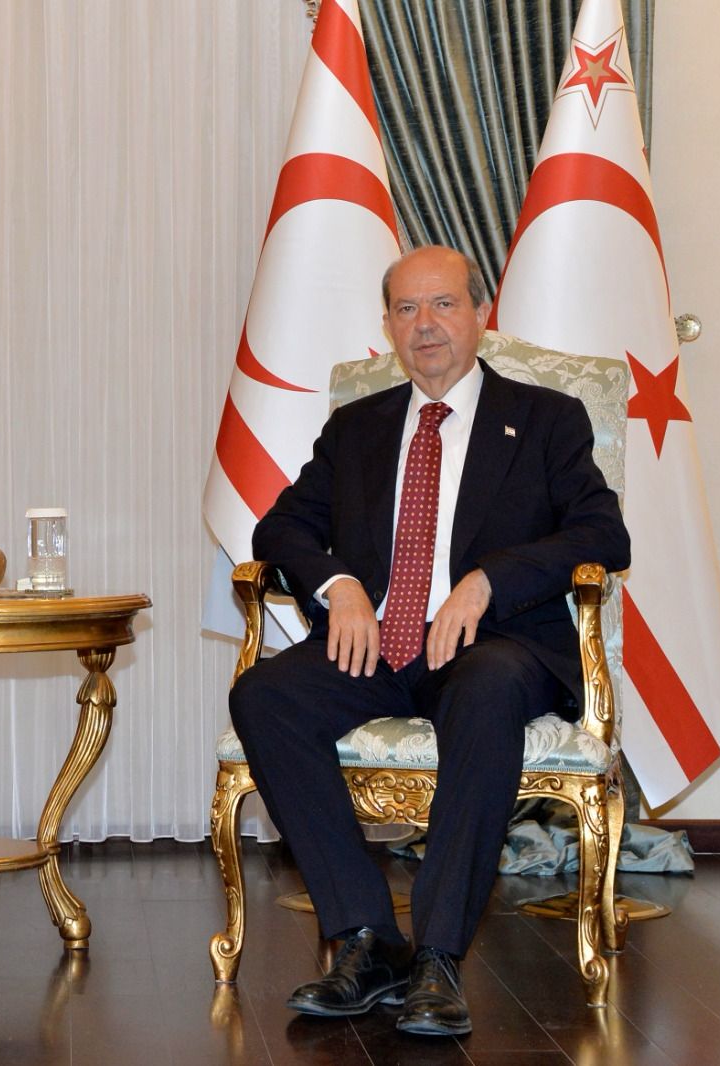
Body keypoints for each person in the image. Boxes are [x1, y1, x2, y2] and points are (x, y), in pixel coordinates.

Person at [228, 245, 630, 1037]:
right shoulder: (358, 427)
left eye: (443, 304)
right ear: (388, 325)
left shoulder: (545, 419)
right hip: (375, 644)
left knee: (487, 689)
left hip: (493, 643)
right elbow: (281, 527)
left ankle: (439, 957)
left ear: (481, 314)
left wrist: (489, 581)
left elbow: (601, 534)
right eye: (407, 309)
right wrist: (339, 584)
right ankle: (366, 936)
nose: (426, 325)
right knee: (265, 694)